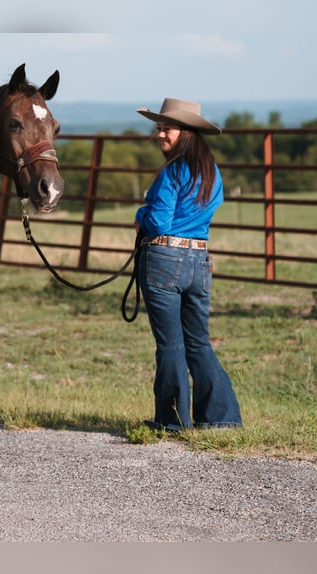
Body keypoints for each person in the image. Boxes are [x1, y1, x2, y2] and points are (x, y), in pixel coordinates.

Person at [134, 98, 242, 431]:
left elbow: (159, 222)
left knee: (170, 344)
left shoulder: (171, 172)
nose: (161, 135)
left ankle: (173, 420)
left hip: (164, 259)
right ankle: (221, 416)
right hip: (199, 259)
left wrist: (141, 214)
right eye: (159, 128)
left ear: (188, 132)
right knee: (198, 342)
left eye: (167, 129)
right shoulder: (213, 174)